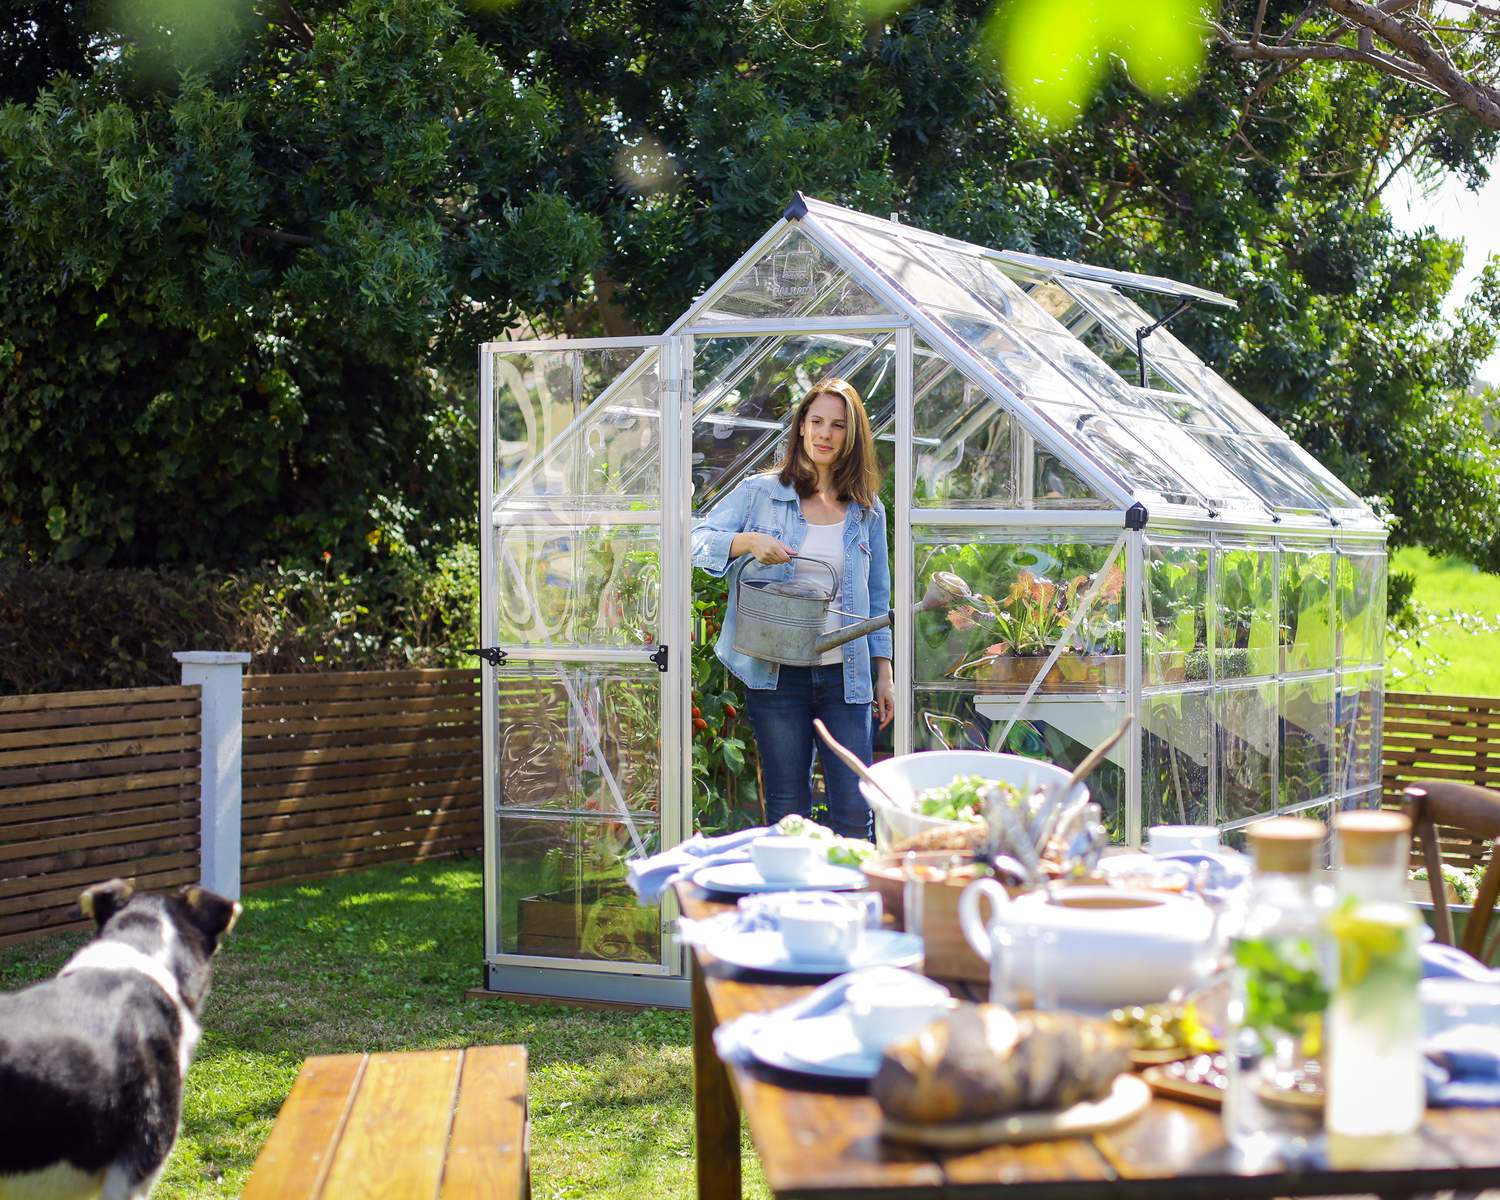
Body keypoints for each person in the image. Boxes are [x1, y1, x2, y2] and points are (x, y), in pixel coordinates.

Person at [692, 377, 894, 840]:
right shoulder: (760, 493)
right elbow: (695, 538)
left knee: (854, 811)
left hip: (848, 675)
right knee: (788, 813)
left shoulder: (867, 509)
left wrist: (884, 673)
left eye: (838, 426)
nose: (825, 434)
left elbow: (878, 597)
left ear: (852, 435)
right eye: (816, 421)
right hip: (777, 673)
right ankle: (792, 908)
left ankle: (849, 910)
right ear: (801, 426)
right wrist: (747, 542)